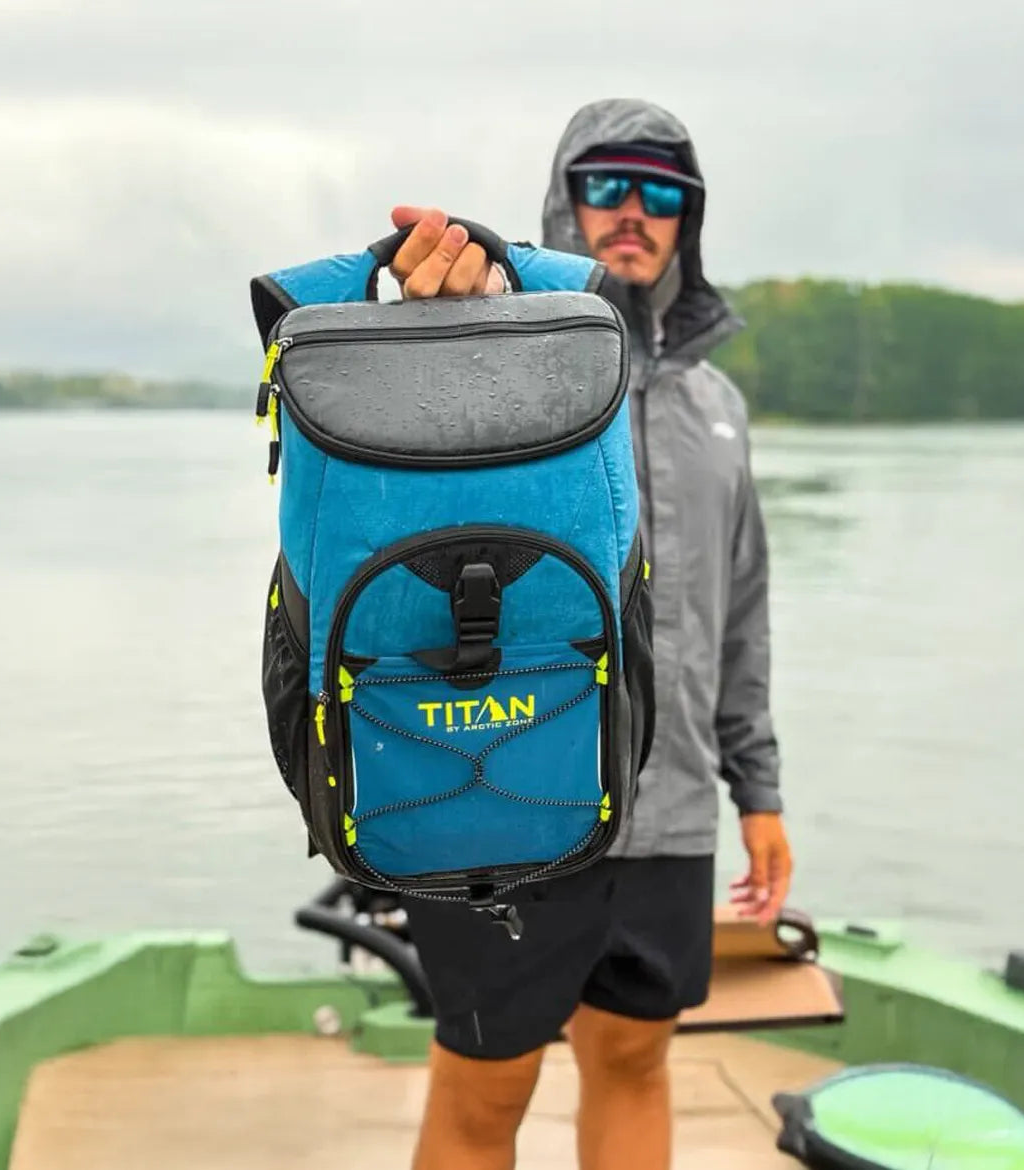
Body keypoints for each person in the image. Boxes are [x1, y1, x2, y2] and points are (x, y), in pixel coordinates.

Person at [386, 98, 793, 1170]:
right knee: (485, 1086)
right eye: (606, 183)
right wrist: (439, 319)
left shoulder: (722, 407)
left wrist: (758, 790)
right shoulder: (497, 361)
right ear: (563, 204)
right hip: (508, 793)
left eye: (663, 193)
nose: (633, 210)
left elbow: (739, 610)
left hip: (672, 809)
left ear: (687, 221)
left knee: (634, 1059)